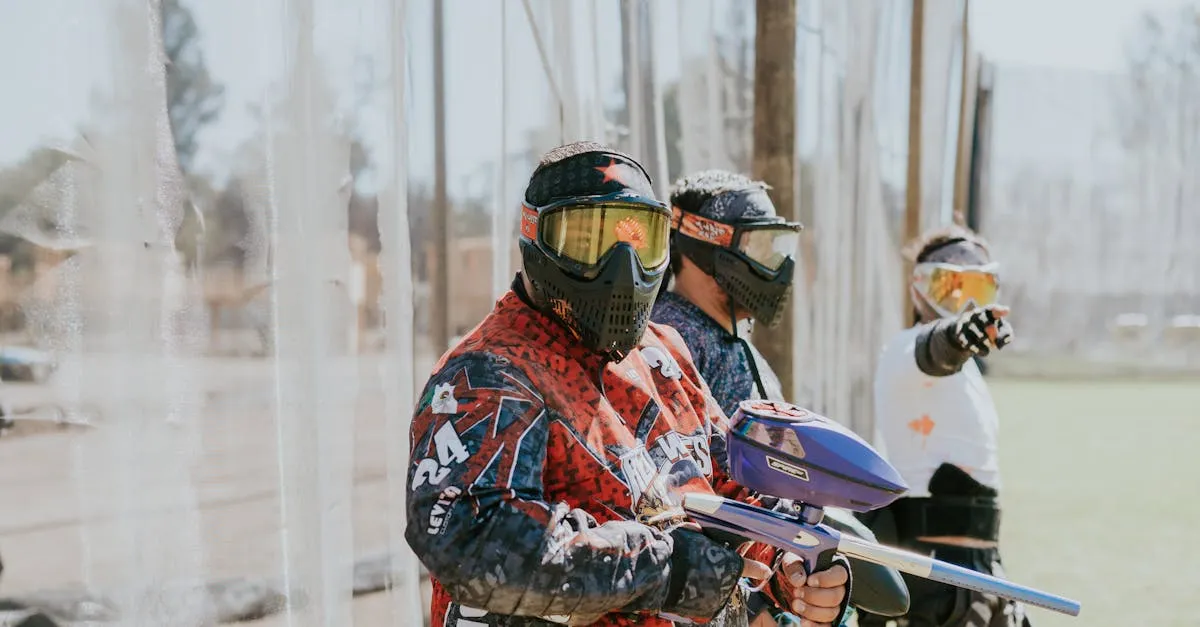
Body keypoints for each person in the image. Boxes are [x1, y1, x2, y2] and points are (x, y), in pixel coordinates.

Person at [405, 142, 851, 627]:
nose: (623, 269)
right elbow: (468, 539)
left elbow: (738, 487)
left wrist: (788, 567)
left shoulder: (664, 353)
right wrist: (665, 569)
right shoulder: (489, 372)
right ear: (535, 238)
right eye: (587, 240)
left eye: (641, 242)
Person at [648, 170, 910, 625]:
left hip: (774, 571)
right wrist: (754, 599)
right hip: (738, 586)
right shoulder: (672, 338)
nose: (779, 268)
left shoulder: (728, 339)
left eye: (779, 249)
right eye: (760, 249)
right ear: (702, 247)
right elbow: (681, 485)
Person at [857, 225, 1026, 627]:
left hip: (981, 571)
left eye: (978, 288)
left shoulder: (969, 374)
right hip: (932, 580)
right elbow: (936, 348)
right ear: (919, 290)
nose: (965, 302)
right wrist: (957, 335)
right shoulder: (904, 350)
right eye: (950, 286)